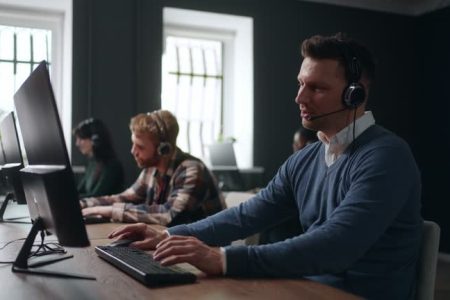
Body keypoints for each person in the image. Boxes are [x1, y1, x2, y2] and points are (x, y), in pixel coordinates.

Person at [107, 34, 422, 299]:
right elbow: (248, 215)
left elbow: (337, 245)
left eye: (317, 88)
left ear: (355, 94)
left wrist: (223, 259)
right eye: (300, 84)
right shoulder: (306, 159)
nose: (300, 96)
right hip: (307, 286)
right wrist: (168, 234)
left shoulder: (386, 156)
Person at [80, 110, 225, 226]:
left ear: (163, 149)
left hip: (206, 251)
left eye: (140, 147)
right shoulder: (151, 169)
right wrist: (82, 204)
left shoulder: (191, 170)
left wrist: (109, 211)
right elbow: (124, 197)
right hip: (177, 244)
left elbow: (169, 214)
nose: (133, 151)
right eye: (133, 144)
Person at [259, 125, 318, 244]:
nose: (296, 149)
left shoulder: (317, 171)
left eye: (301, 146)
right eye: (295, 145)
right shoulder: (291, 169)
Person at [74, 118, 124, 198]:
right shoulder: (93, 163)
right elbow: (80, 190)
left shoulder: (112, 166)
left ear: (95, 140)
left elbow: (97, 196)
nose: (77, 143)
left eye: (81, 138)